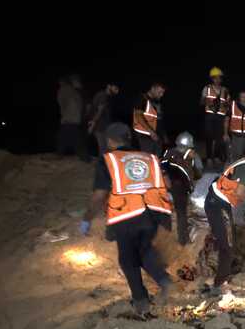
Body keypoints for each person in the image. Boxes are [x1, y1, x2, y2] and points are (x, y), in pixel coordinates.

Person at [80, 122, 174, 315]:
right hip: (153, 212)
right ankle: (164, 281)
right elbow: (167, 183)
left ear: (110, 140)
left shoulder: (108, 160)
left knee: (127, 259)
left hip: (127, 215)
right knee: (144, 250)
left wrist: (87, 217)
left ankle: (141, 301)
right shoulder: (149, 157)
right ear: (128, 138)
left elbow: (99, 195)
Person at [204, 139, 245, 295]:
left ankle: (216, 272)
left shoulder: (242, 162)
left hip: (216, 202)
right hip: (218, 204)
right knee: (228, 247)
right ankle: (219, 285)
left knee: (225, 240)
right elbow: (239, 192)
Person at [161, 132, 203, 245]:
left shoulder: (191, 156)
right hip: (174, 187)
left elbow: (198, 174)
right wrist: (166, 181)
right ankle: (181, 239)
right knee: (180, 213)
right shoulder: (171, 154)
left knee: (182, 212)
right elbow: (162, 168)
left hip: (183, 187)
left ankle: (182, 237)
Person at [201, 67, 231, 168]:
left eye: (219, 78)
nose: (218, 80)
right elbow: (201, 101)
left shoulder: (225, 90)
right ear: (212, 78)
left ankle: (217, 157)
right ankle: (209, 158)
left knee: (219, 138)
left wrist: (226, 105)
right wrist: (209, 102)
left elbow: (229, 103)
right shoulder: (207, 88)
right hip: (210, 114)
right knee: (209, 137)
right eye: (215, 78)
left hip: (221, 116)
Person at [56, 74, 89, 162]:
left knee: (76, 139)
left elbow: (61, 104)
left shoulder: (65, 90)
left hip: (70, 119)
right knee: (64, 137)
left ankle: (85, 158)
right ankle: (59, 154)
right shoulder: (75, 92)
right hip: (74, 119)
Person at [133, 82, 166, 156]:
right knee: (147, 159)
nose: (161, 95)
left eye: (163, 92)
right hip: (145, 136)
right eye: (160, 92)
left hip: (156, 136)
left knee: (157, 159)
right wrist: (151, 132)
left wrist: (164, 135)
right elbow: (138, 116)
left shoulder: (156, 101)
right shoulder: (142, 98)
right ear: (152, 89)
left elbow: (159, 119)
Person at [88, 82, 121, 154]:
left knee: (106, 148)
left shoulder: (107, 97)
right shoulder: (103, 95)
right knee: (104, 148)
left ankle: (103, 163)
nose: (117, 91)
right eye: (115, 88)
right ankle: (101, 164)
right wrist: (93, 123)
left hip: (104, 126)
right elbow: (100, 110)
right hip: (100, 126)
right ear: (109, 86)